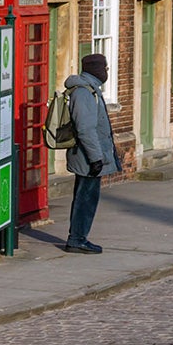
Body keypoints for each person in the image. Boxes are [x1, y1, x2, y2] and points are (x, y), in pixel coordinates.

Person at [63, 52, 118, 252]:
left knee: (86, 197)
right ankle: (77, 239)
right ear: (96, 69)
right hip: (87, 156)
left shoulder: (91, 89)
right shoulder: (84, 92)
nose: (106, 72)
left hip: (89, 155)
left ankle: (78, 237)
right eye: (105, 68)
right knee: (85, 199)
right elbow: (85, 129)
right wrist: (96, 158)